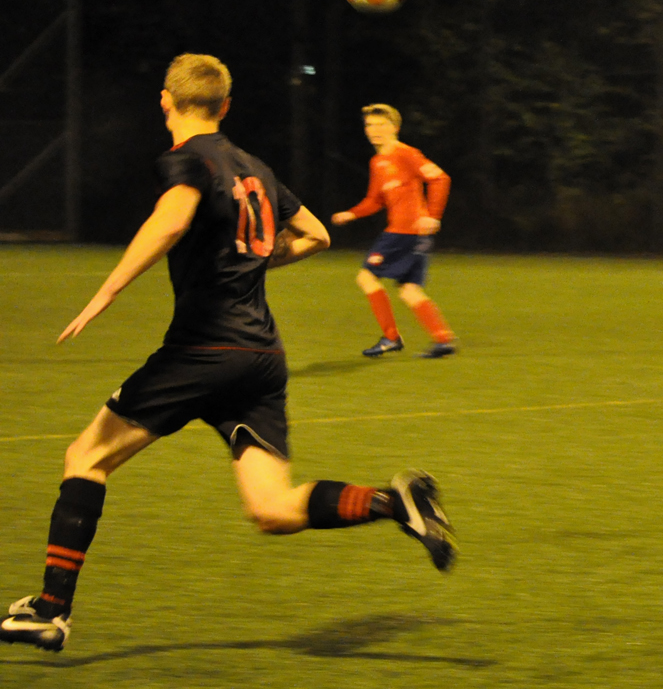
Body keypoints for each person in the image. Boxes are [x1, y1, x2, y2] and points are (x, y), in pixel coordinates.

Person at [0, 55, 457, 654]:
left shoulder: (187, 160)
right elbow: (317, 235)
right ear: (226, 106)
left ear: (166, 101)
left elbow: (170, 222)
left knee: (86, 457)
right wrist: (253, 260)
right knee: (272, 508)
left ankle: (51, 609)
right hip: (260, 356)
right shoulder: (255, 168)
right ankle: (394, 504)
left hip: (201, 350)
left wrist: (107, 291)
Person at [331, 104, 457, 358]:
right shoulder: (378, 162)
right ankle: (443, 340)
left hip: (404, 232)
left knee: (366, 277)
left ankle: (391, 338)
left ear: (395, 128)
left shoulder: (406, 154)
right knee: (409, 290)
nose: (374, 130)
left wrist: (433, 215)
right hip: (412, 234)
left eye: (381, 125)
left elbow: (440, 178)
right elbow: (375, 200)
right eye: (370, 125)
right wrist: (352, 213)